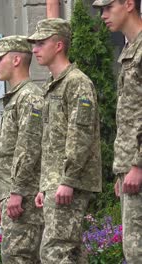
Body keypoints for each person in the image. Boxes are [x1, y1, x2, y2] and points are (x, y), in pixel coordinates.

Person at [28, 18, 102, 263]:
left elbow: (80, 134)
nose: (34, 49)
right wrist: (44, 184)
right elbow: (51, 141)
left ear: (58, 45)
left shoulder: (77, 82)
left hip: (69, 181)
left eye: (40, 43)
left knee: (54, 251)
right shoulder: (52, 85)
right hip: (55, 181)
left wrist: (67, 180)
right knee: (72, 252)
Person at [92, 0, 142, 261]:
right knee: (132, 251)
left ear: (129, 4)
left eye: (108, 7)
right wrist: (122, 170)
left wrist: (137, 165)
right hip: (130, 170)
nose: (103, 15)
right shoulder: (129, 51)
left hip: (138, 168)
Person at [0, 35, 44, 263]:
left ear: (16, 60)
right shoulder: (16, 98)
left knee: (18, 256)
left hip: (25, 198)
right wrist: (3, 197)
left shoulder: (29, 97)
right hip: (14, 197)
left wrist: (16, 192)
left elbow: (28, 147)